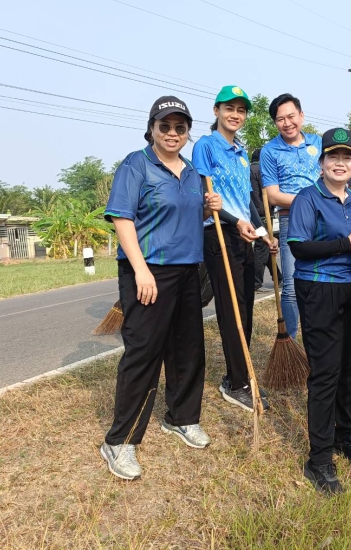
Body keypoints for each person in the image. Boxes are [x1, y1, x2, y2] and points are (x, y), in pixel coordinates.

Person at [100, 96, 223, 480]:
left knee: (188, 350)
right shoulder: (136, 165)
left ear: (187, 132)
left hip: (188, 271)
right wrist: (140, 270)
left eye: (180, 127)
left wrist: (207, 207)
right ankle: (119, 442)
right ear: (152, 128)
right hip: (149, 270)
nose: (173, 133)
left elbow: (184, 215)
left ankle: (182, 417)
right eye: (165, 126)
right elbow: (122, 219)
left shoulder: (191, 171)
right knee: (144, 354)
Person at [287, 127, 351, 495]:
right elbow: (299, 249)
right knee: (326, 373)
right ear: (321, 161)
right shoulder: (307, 200)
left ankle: (346, 435)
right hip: (318, 290)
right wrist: (346, 243)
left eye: (346, 157)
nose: (339, 163)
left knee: (350, 369)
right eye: (332, 156)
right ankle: (319, 459)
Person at [192, 86, 278, 413]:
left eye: (241, 110)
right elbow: (205, 192)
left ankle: (240, 374)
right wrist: (233, 221)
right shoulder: (206, 146)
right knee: (230, 309)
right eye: (230, 108)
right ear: (216, 111)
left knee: (246, 306)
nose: (236, 115)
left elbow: (248, 203)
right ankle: (237, 382)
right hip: (218, 232)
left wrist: (261, 231)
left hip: (244, 235)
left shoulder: (242, 152)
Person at [260, 93, 323, 339]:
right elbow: (274, 196)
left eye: (291, 116)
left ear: (301, 116)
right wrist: (311, 202)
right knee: (290, 286)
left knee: (323, 280)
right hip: (290, 221)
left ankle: (319, 338)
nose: (287, 123)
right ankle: (292, 343)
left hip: (323, 221)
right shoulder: (269, 151)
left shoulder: (318, 143)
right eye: (280, 119)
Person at [250, 148, 282, 291]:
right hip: (262, 215)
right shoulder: (261, 170)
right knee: (262, 248)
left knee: (267, 245)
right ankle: (255, 282)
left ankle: (279, 277)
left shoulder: (248, 169)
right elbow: (268, 191)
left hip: (251, 214)